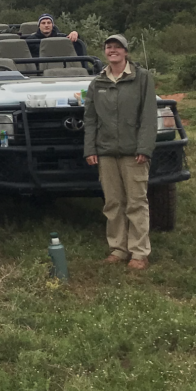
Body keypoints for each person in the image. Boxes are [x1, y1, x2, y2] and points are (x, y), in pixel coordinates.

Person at [84, 33, 157, 271]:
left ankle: (139, 252)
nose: (112, 50)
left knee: (136, 202)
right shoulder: (97, 82)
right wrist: (90, 148)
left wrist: (144, 148)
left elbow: (148, 117)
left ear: (126, 52)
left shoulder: (142, 78)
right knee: (113, 203)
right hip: (105, 152)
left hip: (133, 152)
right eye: (108, 47)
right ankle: (118, 248)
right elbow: (91, 119)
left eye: (117, 47)